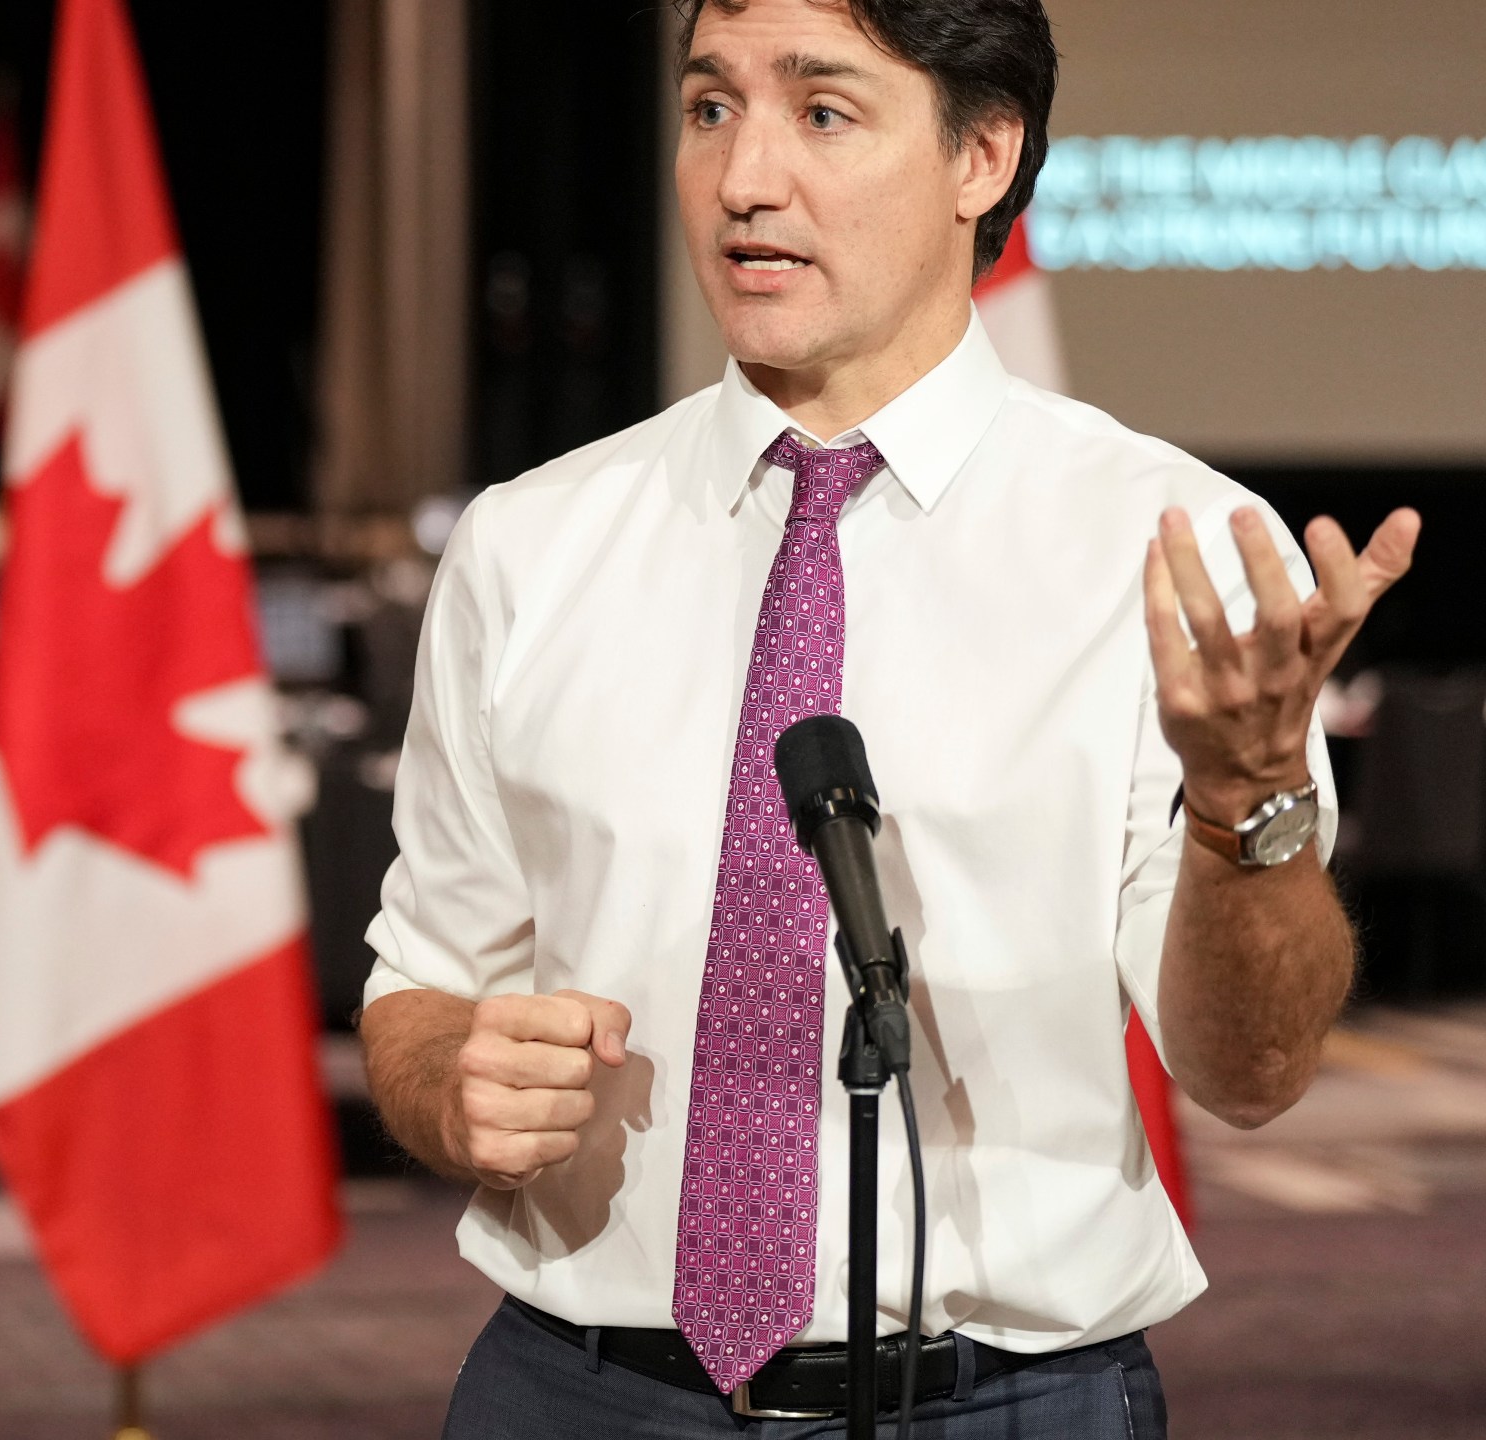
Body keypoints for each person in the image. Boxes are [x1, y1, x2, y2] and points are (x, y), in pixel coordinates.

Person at [356, 0, 1424, 1433]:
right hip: (576, 1393)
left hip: (1001, 1405)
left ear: (983, 153)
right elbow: (422, 984)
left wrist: (1243, 806)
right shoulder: (530, 545)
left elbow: (1250, 1074)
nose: (743, 179)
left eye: (824, 112)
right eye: (709, 108)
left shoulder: (1173, 550)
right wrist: (448, 1081)